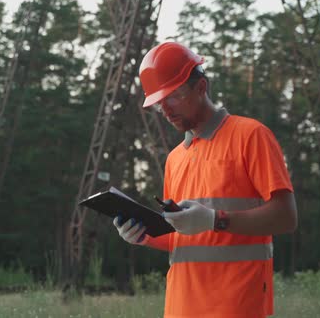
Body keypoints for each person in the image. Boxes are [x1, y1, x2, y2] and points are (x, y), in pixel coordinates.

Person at [113, 41, 298, 318]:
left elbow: (286, 217)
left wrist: (215, 220)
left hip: (237, 307)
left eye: (173, 97)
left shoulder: (251, 136)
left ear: (201, 88)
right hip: (180, 308)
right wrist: (145, 236)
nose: (166, 110)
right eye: (159, 103)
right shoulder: (176, 158)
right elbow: (183, 238)